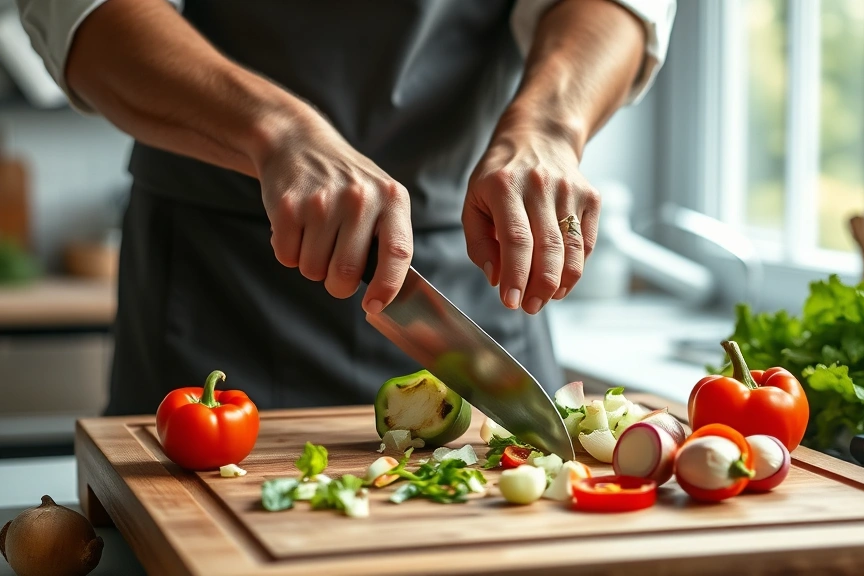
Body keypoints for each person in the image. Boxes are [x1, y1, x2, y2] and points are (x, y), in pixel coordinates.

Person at [16, 0, 676, 414]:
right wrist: (276, 131)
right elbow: (83, 13)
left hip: (475, 276)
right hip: (214, 288)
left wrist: (551, 130)